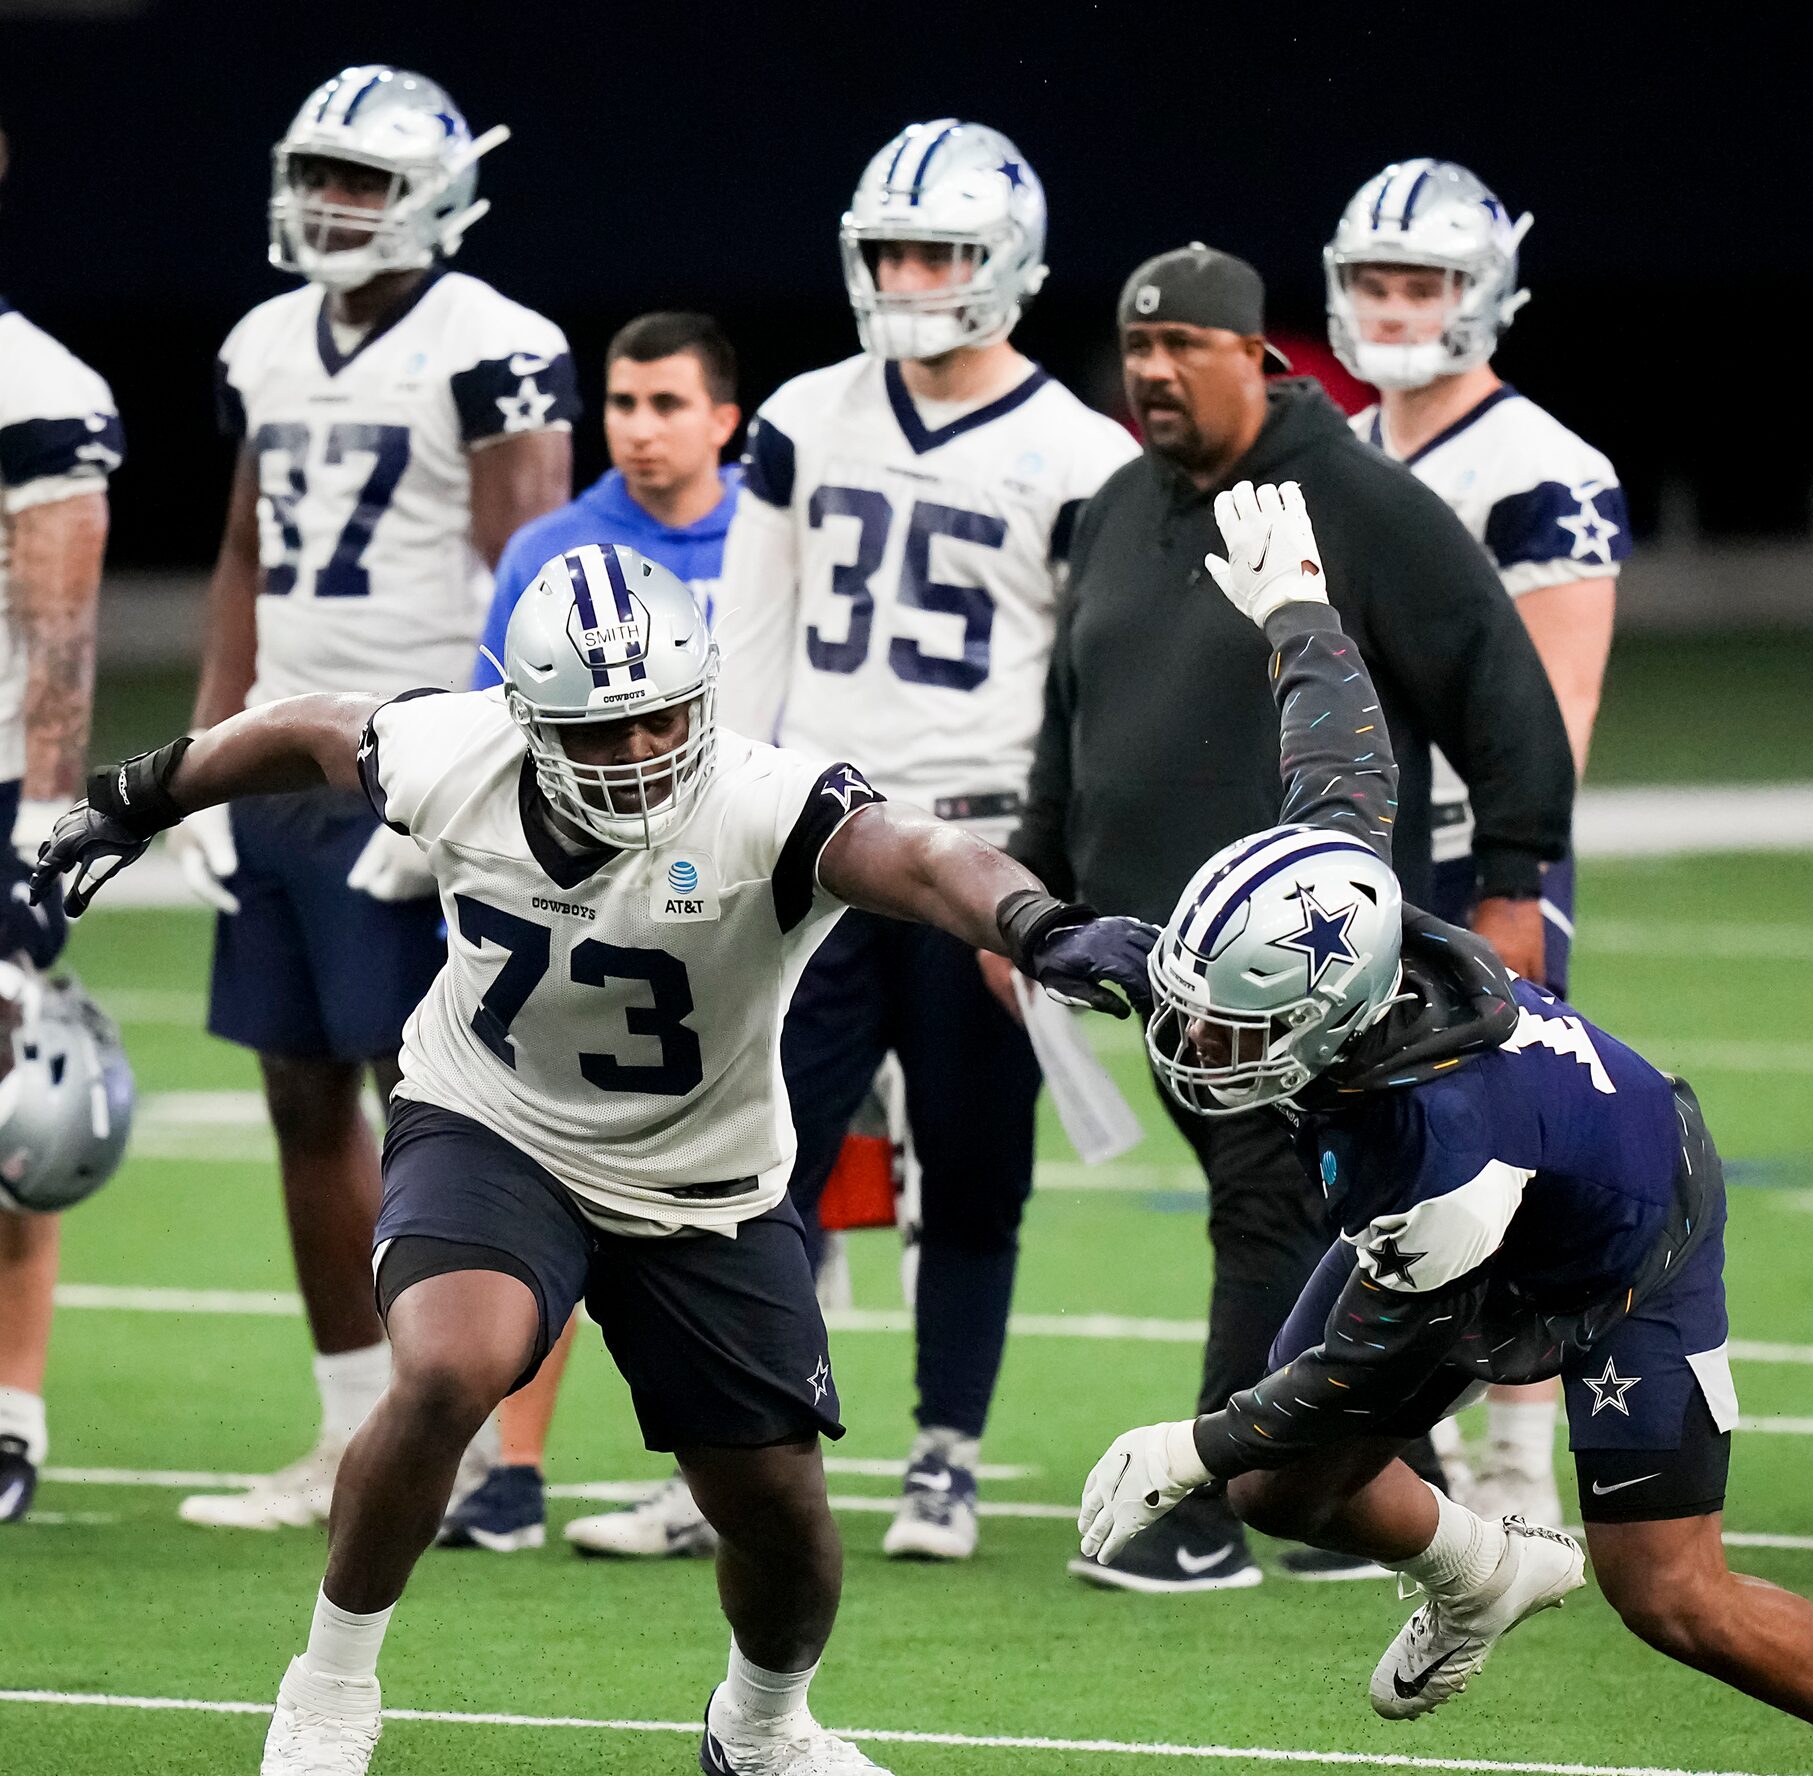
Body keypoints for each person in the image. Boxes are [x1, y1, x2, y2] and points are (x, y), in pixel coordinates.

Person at [31, 545, 1157, 1776]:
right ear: (526, 718)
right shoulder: (460, 755)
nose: (634, 752)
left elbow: (921, 849)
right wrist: (137, 795)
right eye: (598, 727)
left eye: (660, 718)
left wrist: (1038, 926)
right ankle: (329, 1691)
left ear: (707, 696)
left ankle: (764, 1723)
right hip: (491, 1120)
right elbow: (300, 731)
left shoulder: (765, 803)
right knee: (455, 1363)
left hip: (704, 1175)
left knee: (780, 1515)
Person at [1078, 481, 1813, 1776]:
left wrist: (1192, 1443)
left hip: (1621, 1246)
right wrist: (1293, 607)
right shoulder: (1344, 918)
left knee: (1666, 1590)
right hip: (1483, 1202)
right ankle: (1480, 1577)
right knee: (1288, 1488)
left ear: (1325, 1016)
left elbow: (1365, 1362)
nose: (1201, 1046)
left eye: (1235, 1022)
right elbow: (1339, 741)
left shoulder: (1432, 1145)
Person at [1013, 243, 1572, 1590]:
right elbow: (1070, 716)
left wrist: (1512, 882)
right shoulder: (1112, 507)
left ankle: (1202, 1508)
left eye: (1181, 348)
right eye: (1137, 348)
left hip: (1303, 961)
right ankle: (1378, 1490)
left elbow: (1503, 692)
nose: (1151, 372)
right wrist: (1031, 895)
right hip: (1157, 955)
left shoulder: (1359, 501)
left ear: (1251, 353)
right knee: (1289, 1205)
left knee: (1271, 1205)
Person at [691, 118, 1135, 1567]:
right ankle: (751, 1436)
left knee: (969, 1161)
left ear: (1005, 261)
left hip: (979, 859)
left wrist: (1054, 893)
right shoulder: (808, 414)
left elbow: (1093, 687)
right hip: (818, 840)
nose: (909, 276)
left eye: (939, 250)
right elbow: (746, 637)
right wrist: (721, 822)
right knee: (764, 1158)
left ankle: (945, 1451)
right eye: (890, 250)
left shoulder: (1083, 452)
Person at [168, 66, 576, 1532]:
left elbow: (530, 580)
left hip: (414, 763)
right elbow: (240, 554)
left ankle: (454, 1431)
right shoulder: (265, 339)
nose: (328, 203)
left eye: (360, 178)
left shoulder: (497, 346)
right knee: (295, 1089)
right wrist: (204, 761)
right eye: (317, 174)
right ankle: (351, 1429)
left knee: (435, 1104)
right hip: (279, 756)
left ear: (437, 192)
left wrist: (476, 783)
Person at [1329, 160, 1632, 1530]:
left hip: (1474, 850)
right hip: (1357, 855)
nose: (1394, 310)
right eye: (1374, 282)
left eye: (1423, 283)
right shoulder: (1344, 453)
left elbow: (1553, 709)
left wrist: (1512, 872)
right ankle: (1414, 1445)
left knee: (1515, 1141)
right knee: (1373, 1144)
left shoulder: (1543, 467)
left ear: (1485, 293)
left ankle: (1519, 1453)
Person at [438, 309, 745, 1554]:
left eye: (667, 402)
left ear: (726, 416)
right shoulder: (553, 546)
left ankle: (738, 1458)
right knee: (545, 1152)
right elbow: (481, 733)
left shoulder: (772, 533)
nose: (640, 427)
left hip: (738, 909)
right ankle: (514, 1465)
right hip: (579, 907)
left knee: (765, 1185)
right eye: (622, 403)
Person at [0, 111, 126, 1518]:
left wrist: (40, 832)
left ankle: (9, 1416)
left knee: (10, 1120)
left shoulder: (34, 384)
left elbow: (63, 643)